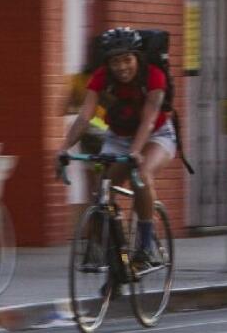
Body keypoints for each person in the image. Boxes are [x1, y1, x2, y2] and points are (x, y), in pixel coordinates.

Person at [59, 27, 176, 270]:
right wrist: (63, 148)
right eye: (115, 62)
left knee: (141, 175)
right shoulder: (102, 77)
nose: (122, 67)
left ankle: (145, 246)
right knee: (104, 189)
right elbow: (84, 116)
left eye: (127, 60)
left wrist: (135, 152)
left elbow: (149, 119)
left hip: (157, 135)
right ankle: (111, 251)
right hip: (119, 136)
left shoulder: (154, 75)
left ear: (137, 57)